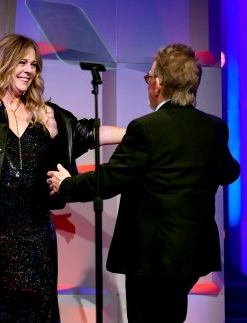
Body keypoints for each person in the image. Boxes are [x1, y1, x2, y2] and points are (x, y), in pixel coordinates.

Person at [47, 43, 240, 323]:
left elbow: (111, 179)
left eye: (148, 77)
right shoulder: (213, 127)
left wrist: (67, 184)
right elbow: (229, 173)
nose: (148, 83)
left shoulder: (146, 128)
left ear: (159, 84)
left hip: (151, 258)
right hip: (191, 253)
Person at [0, 33, 125, 322]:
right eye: (22, 62)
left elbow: (87, 133)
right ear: (4, 62)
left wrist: (141, 133)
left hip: (35, 233)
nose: (29, 70)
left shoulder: (46, 113)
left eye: (34, 65)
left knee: (37, 311)